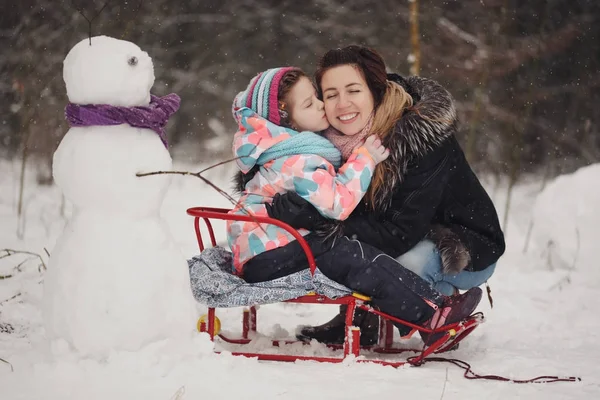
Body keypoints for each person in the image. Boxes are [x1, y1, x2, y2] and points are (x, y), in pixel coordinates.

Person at [265, 45, 505, 346]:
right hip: (399, 233)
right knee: (351, 254)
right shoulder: (332, 142)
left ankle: (438, 318)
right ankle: (360, 321)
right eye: (331, 94)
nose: (342, 104)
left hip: (461, 243)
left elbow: (397, 234)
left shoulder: (419, 140)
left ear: (375, 91)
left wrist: (318, 221)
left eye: (354, 90)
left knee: (400, 263)